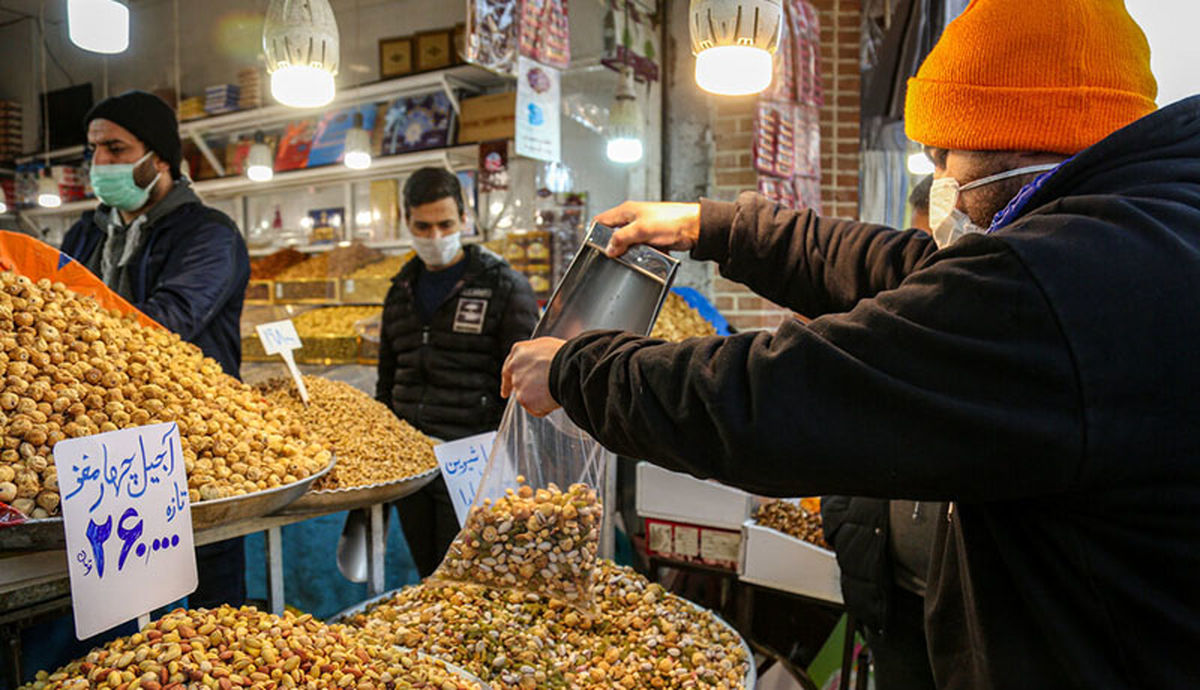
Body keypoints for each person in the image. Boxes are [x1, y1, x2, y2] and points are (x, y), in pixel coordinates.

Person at [502, 1, 1200, 687]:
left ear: (1014, 139)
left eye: (944, 154)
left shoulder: (1065, 282)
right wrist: (714, 227)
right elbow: (906, 270)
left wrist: (579, 369)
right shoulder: (1140, 231)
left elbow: (782, 400)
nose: (941, 182)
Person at [60, 90, 250, 610]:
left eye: (117, 150)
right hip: (108, 449)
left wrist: (69, 335)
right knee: (122, 605)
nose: (99, 163)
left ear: (159, 157)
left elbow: (168, 320)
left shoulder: (208, 235)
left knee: (213, 604)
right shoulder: (85, 233)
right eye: (94, 149)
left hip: (198, 445)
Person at [378, 167, 538, 578]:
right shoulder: (399, 291)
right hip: (412, 463)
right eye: (423, 226)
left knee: (471, 581)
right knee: (429, 575)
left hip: (474, 461)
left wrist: (511, 462)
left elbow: (526, 383)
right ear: (406, 223)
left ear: (465, 220)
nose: (435, 236)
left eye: (446, 224)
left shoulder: (503, 286)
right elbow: (387, 378)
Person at [821, 172, 942, 690]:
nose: (939, 266)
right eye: (927, 247)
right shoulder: (888, 324)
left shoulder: (990, 336)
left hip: (972, 611)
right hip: (892, 599)